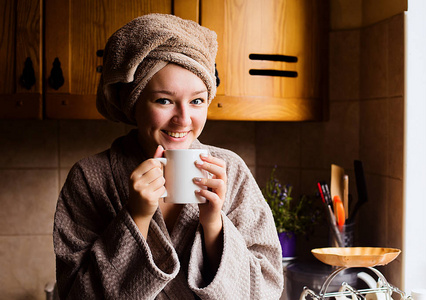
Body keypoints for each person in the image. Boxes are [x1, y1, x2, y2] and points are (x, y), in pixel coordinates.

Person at [53, 13, 283, 299]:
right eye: (164, 100)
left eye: (197, 101)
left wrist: (213, 223)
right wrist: (136, 217)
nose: (183, 119)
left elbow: (266, 289)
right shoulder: (90, 178)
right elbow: (76, 294)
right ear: (134, 102)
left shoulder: (231, 170)